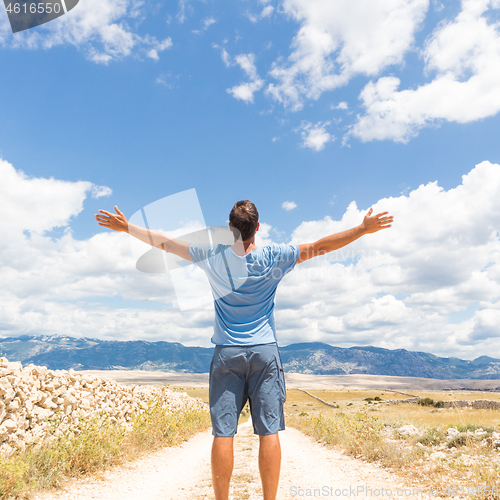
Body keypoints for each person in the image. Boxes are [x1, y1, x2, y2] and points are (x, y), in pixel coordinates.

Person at [95, 201, 393, 500]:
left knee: (223, 433)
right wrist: (363, 229)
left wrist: (126, 227)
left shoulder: (212, 255)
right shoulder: (275, 256)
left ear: (230, 230)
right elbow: (321, 246)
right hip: (264, 351)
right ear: (258, 228)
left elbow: (166, 244)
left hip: (226, 352)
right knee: (269, 432)